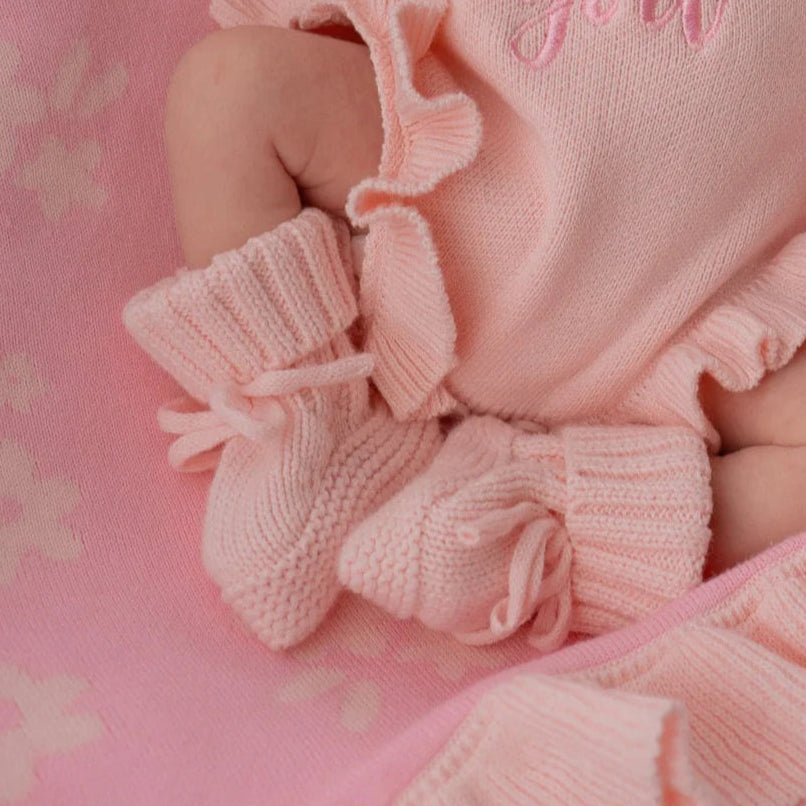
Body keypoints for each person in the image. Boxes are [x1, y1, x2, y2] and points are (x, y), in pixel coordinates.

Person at [123, 0, 806, 651]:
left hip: (706, 303)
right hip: (450, 160)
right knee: (227, 90)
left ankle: (537, 522)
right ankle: (302, 413)